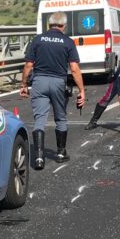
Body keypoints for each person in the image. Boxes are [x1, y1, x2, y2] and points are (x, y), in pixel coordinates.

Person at [19, 11, 86, 169]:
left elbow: (29, 65)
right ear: (63, 26)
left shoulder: (37, 40)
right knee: (60, 118)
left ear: (49, 25)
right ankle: (61, 153)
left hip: (39, 82)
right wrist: (82, 90)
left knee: (40, 119)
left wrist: (23, 84)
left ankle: (39, 157)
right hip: (58, 82)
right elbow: (75, 69)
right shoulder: (67, 42)